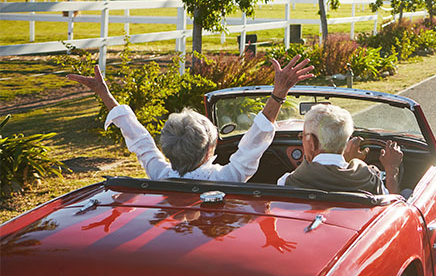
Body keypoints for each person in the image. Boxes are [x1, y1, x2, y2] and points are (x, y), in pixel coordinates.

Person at [67, 55, 314, 182]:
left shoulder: (159, 174)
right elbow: (255, 140)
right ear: (209, 151)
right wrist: (279, 93)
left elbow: (140, 139)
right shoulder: (228, 178)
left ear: (168, 149)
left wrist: (105, 95)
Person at [277, 103, 403, 195]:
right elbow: (394, 206)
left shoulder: (288, 182)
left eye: (303, 136)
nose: (302, 140)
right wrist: (391, 171)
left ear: (312, 142)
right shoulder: (370, 180)